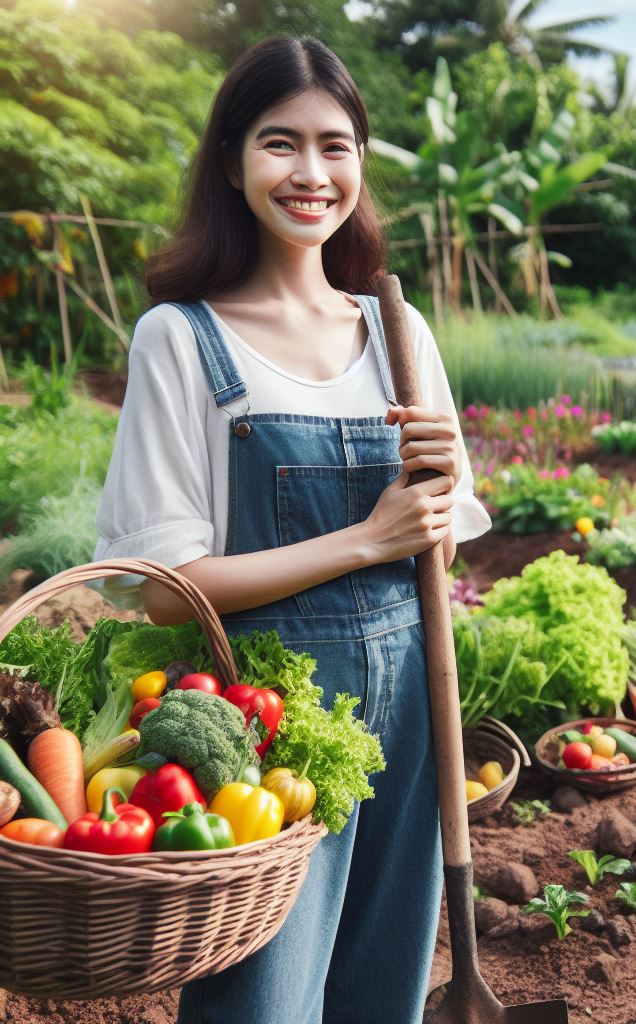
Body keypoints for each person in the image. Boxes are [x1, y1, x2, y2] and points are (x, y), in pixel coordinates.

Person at [92, 34, 491, 1024]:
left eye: (335, 145)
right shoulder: (182, 336)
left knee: (384, 986)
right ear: (231, 161)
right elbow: (162, 582)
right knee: (260, 1000)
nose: (311, 174)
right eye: (281, 144)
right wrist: (366, 538)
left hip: (411, 711)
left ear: (360, 162)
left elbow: (437, 547)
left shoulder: (397, 330)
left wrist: (437, 489)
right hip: (268, 724)